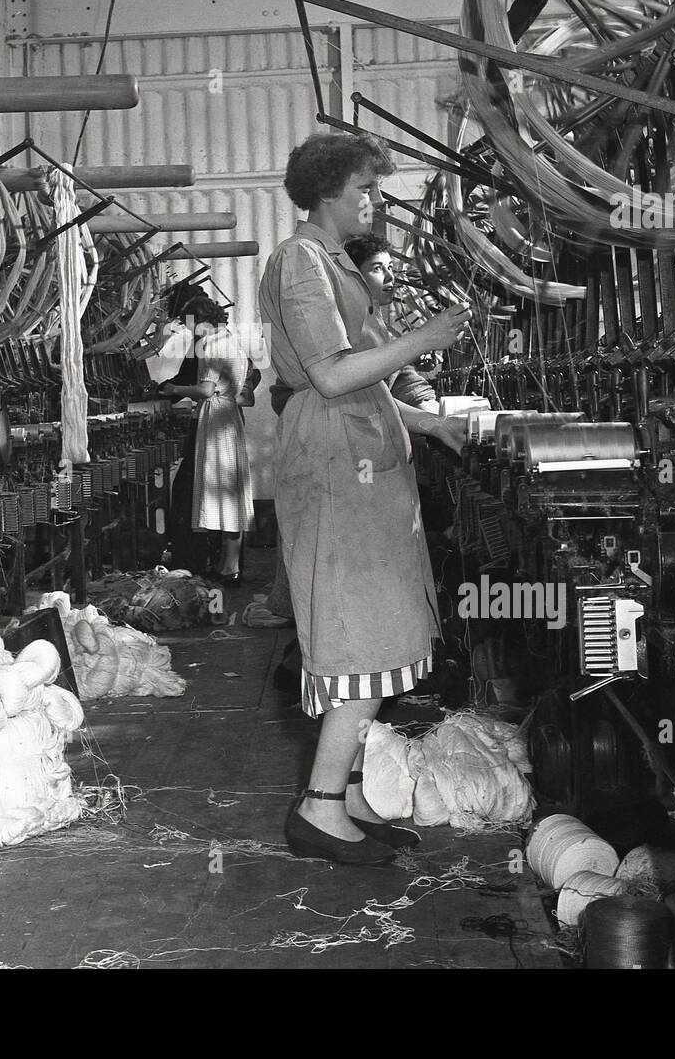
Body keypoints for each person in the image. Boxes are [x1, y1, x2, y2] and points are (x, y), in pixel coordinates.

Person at [258, 132, 472, 865]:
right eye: (366, 191)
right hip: (332, 472)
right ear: (327, 195)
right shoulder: (299, 263)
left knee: (377, 639)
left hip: (360, 472)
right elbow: (332, 377)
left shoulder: (336, 267)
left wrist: (431, 422)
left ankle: (343, 794)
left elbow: (369, 387)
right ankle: (317, 811)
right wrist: (425, 338)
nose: (375, 203)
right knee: (357, 638)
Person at [158, 295, 253, 584]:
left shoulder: (212, 345)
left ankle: (228, 567)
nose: (191, 333)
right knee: (229, 494)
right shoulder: (231, 340)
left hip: (216, 419)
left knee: (217, 492)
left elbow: (204, 389)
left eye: (191, 326)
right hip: (229, 417)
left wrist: (173, 388)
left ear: (201, 321)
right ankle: (229, 564)